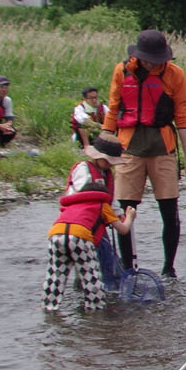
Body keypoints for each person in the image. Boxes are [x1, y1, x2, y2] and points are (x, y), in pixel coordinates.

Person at [103, 30, 186, 279]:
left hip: (163, 146)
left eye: (158, 59)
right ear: (139, 56)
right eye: (149, 59)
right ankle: (127, 268)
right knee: (125, 210)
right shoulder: (122, 71)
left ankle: (168, 268)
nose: (154, 63)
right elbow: (113, 109)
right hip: (129, 146)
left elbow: (183, 116)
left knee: (169, 209)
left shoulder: (175, 74)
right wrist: (102, 151)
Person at [43, 134, 128, 312]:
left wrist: (117, 213)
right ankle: (94, 307)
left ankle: (52, 309)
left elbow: (110, 200)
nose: (110, 164)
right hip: (85, 227)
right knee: (89, 271)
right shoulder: (83, 169)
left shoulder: (106, 174)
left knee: (59, 272)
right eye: (108, 161)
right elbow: (83, 196)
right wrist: (126, 217)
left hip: (62, 230)